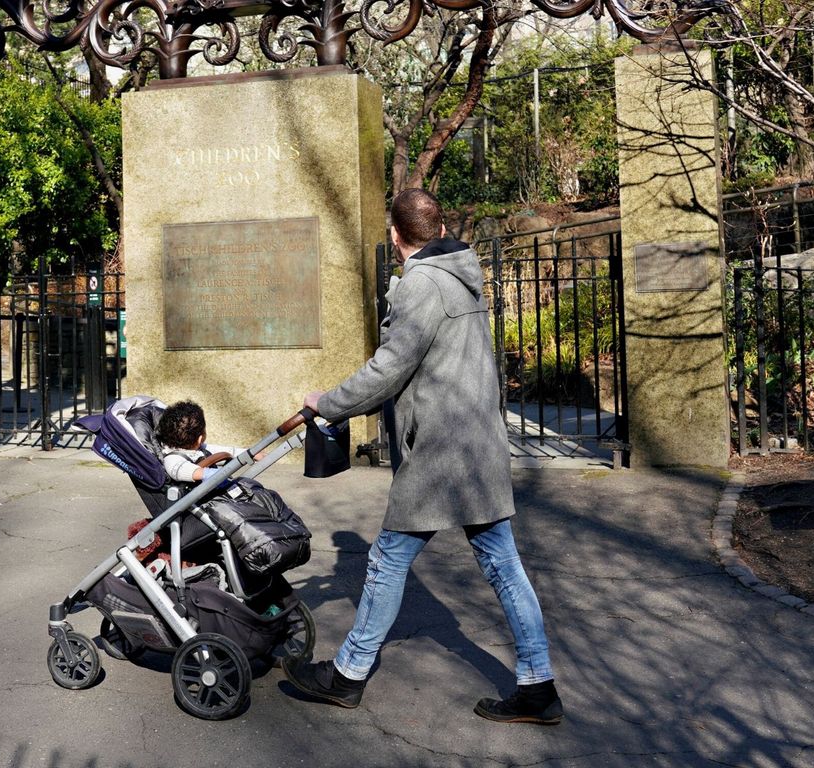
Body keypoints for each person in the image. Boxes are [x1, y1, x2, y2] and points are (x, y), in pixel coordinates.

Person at [283, 189, 563, 725]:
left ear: (395, 235)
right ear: (437, 228)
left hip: (441, 453)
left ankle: (347, 675)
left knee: (388, 560)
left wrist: (329, 403)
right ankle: (537, 685)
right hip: (477, 445)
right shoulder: (462, 273)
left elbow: (390, 367)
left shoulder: (422, 285)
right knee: (504, 566)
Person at [156, 400, 243, 483]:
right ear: (200, 439)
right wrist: (208, 473)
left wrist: (251, 453)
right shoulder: (172, 459)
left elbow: (228, 452)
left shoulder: (198, 448)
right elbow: (184, 470)